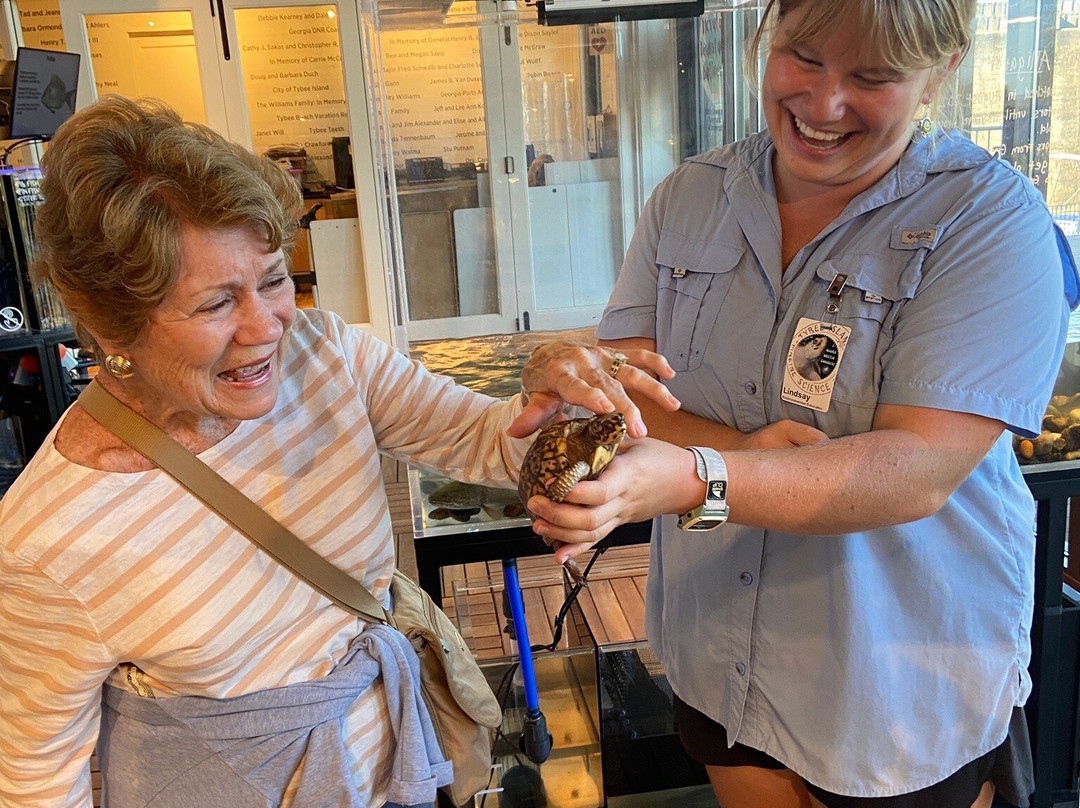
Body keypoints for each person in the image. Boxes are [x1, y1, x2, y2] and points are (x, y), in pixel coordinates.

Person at [0, 96, 680, 808]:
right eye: (217, 304)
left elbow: (486, 442)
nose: (267, 328)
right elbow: (34, 779)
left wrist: (559, 395)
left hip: (395, 771)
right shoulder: (52, 537)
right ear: (111, 323)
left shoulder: (323, 356)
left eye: (274, 280)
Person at [519, 1, 1079, 807]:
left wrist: (701, 479)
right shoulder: (690, 196)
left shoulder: (990, 222)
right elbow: (631, 390)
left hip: (895, 682)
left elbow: (915, 470)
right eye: (804, 59)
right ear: (768, 35)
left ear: (942, 71)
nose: (823, 104)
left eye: (872, 76)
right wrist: (563, 372)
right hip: (722, 651)